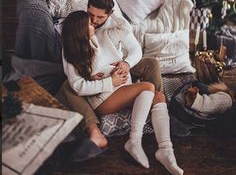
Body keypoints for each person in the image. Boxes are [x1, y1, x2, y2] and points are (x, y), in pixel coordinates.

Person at [61, 10, 183, 174]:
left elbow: (95, 69)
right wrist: (109, 81)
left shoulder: (94, 39)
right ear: (80, 29)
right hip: (103, 98)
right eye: (90, 22)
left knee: (159, 96)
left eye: (98, 18)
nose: (94, 23)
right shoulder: (72, 51)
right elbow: (78, 85)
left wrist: (109, 72)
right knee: (148, 87)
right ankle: (134, 141)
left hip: (114, 88)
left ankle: (166, 150)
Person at [60, 0, 163, 150]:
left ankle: (158, 105)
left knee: (152, 64)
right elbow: (83, 74)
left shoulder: (114, 26)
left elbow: (135, 49)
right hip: (104, 79)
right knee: (68, 84)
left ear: (110, 14)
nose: (94, 21)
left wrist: (126, 64)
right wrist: (99, 78)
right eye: (91, 15)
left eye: (100, 17)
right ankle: (94, 129)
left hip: (118, 67)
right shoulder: (79, 27)